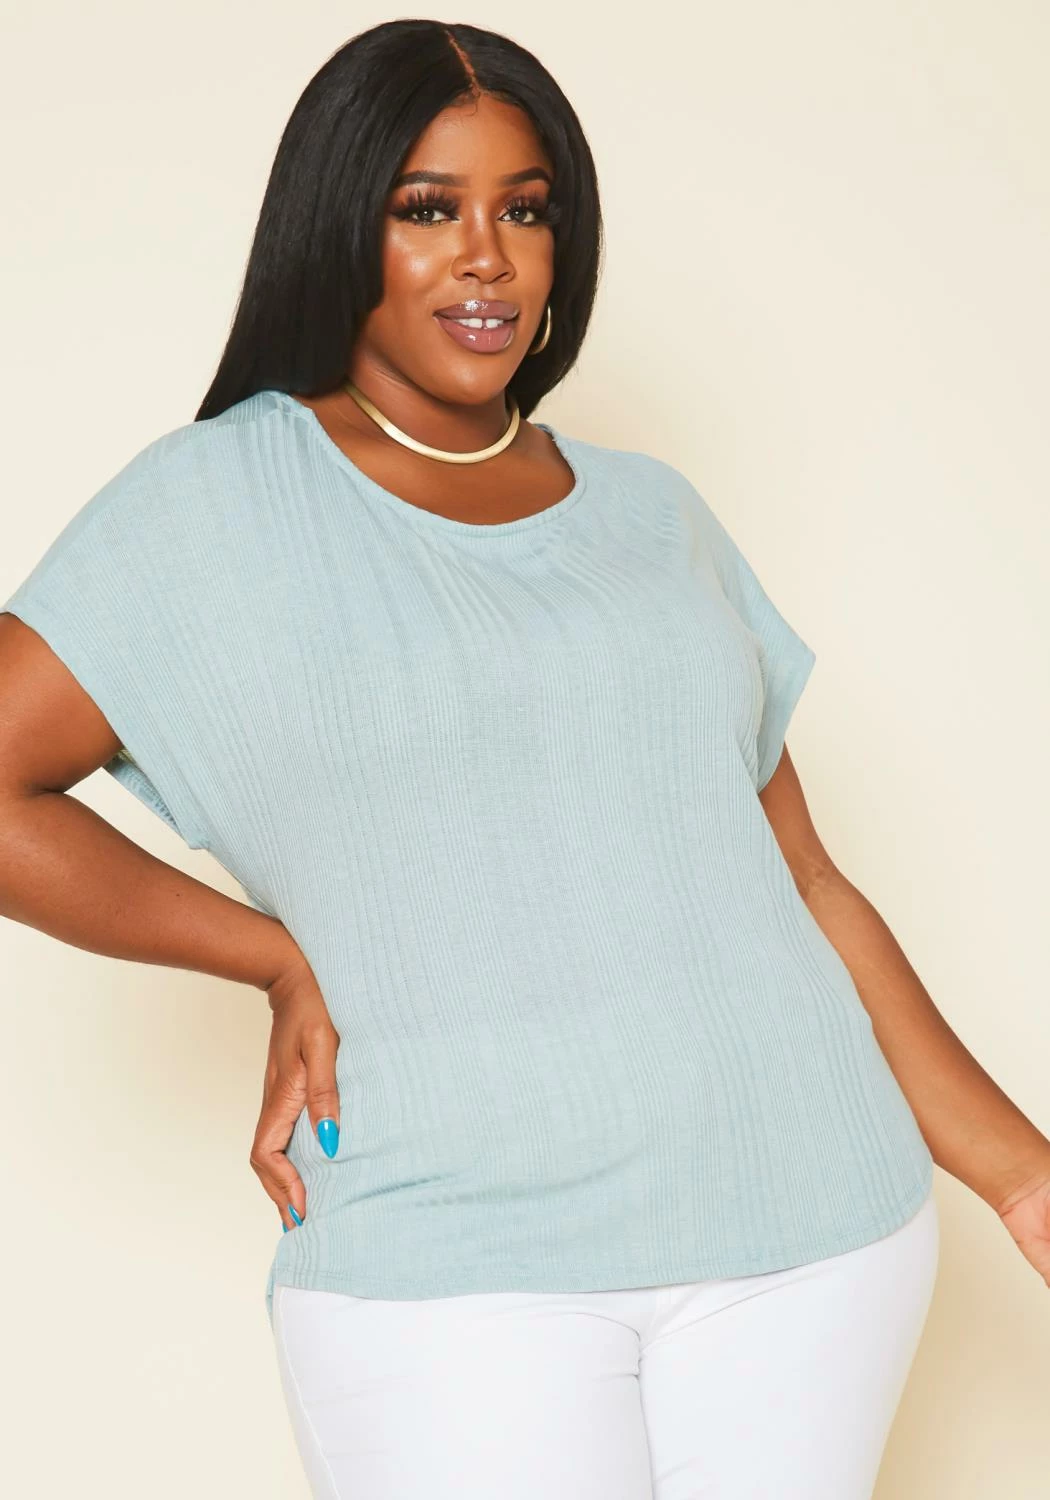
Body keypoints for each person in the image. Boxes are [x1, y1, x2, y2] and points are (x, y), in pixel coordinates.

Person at [2, 17, 1048, 1500]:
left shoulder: (652, 516)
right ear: (341, 226)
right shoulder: (215, 505)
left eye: (527, 209)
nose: (486, 257)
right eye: (429, 209)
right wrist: (269, 956)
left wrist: (1020, 1173)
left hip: (815, 1233)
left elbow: (801, 881)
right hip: (455, 1263)